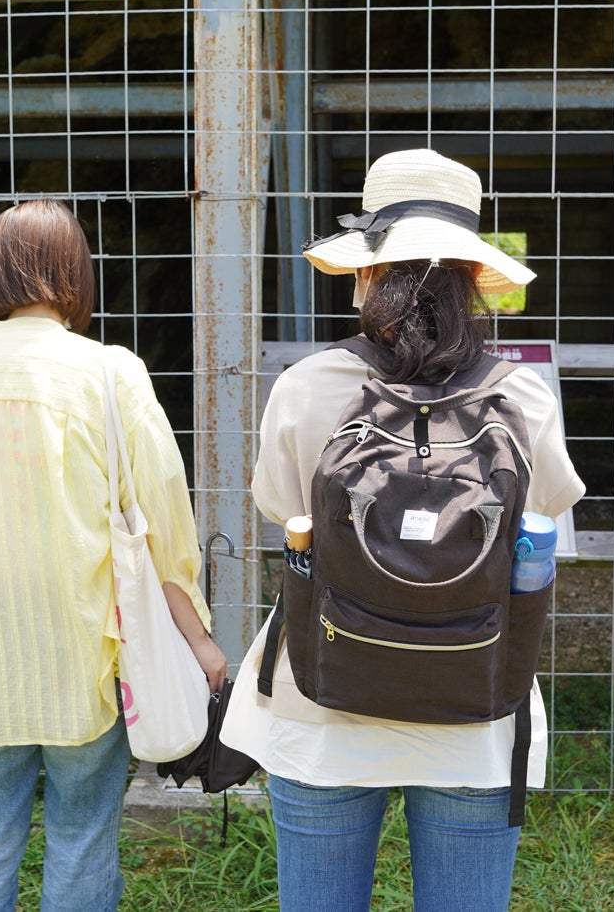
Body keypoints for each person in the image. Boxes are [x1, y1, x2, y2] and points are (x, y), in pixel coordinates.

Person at [219, 149, 586, 912]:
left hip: (323, 700)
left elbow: (281, 508)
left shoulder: (305, 388)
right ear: (473, 280)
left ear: (366, 275)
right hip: (476, 706)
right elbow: (548, 519)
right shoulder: (521, 396)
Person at [0, 198, 227, 912]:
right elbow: (166, 526)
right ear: (77, 273)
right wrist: (197, 637)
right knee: (82, 838)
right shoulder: (111, 373)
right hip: (86, 660)